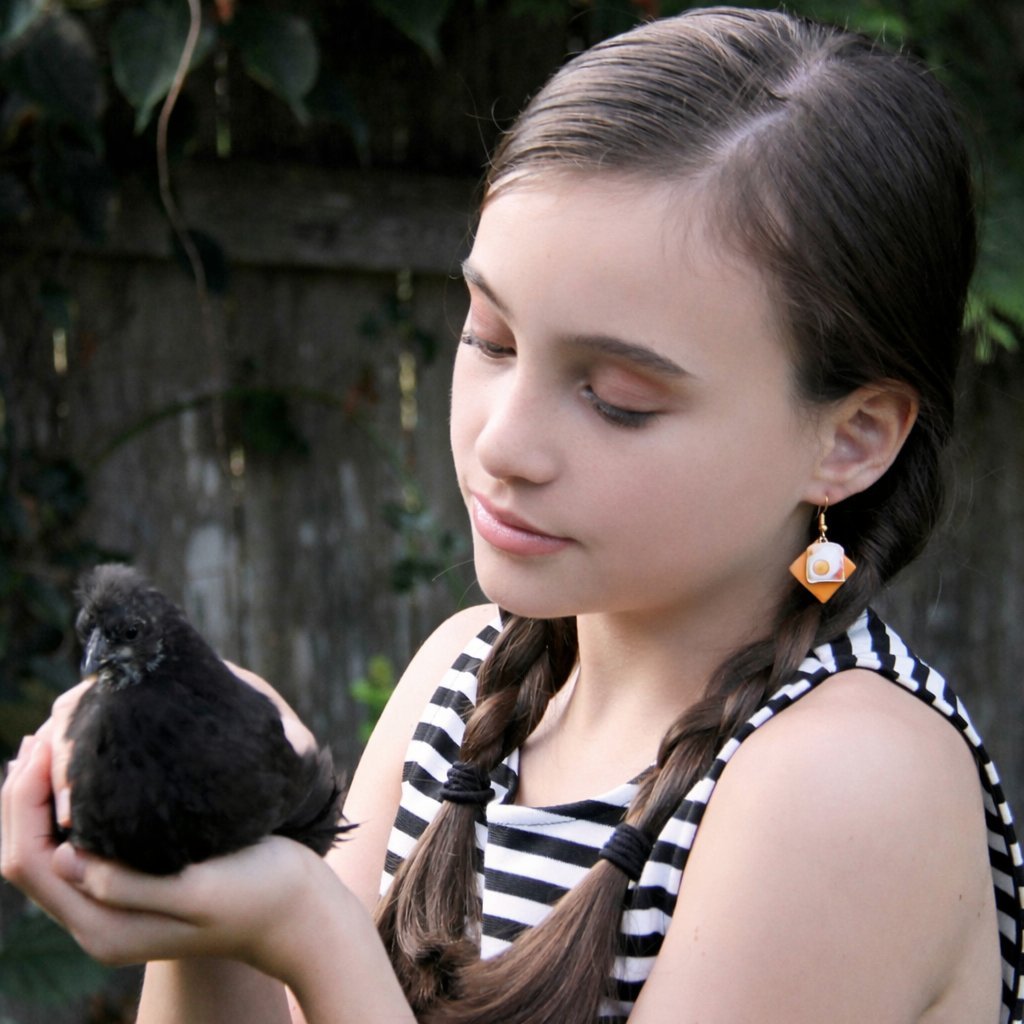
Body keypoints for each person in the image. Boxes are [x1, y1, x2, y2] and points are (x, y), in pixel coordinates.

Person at [3, 6, 1022, 1023]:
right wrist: (216, 851)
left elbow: (320, 959)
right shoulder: (465, 681)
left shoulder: (852, 781)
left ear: (849, 439)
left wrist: (308, 927)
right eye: (489, 337)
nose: (501, 441)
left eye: (618, 395)